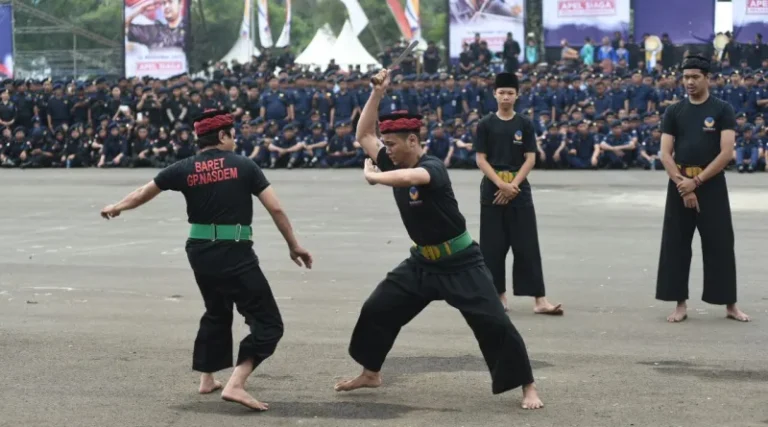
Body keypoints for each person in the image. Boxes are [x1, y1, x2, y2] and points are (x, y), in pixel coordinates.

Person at [333, 69, 544, 410]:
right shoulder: (391, 158)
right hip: (423, 263)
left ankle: (528, 386)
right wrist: (378, 93)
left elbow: (411, 177)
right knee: (378, 308)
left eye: (393, 145)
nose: (386, 150)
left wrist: (375, 178)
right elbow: (363, 133)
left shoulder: (432, 166)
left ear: (412, 141)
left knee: (494, 322)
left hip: (461, 262)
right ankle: (370, 371)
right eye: (385, 146)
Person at [99, 109, 313, 410]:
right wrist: (294, 246)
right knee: (269, 323)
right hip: (234, 251)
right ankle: (236, 384)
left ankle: (207, 378)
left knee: (217, 309)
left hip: (199, 250)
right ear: (223, 136)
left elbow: (144, 192)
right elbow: (275, 209)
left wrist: (117, 206)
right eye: (233, 134)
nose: (235, 139)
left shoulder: (184, 167)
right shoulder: (245, 166)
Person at [655, 54, 749, 323]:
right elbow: (665, 153)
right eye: (686, 77)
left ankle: (730, 305)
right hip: (679, 183)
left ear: (708, 78)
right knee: (676, 245)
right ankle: (680, 304)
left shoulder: (722, 109)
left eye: (695, 76)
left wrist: (695, 183)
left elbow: (726, 152)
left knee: (720, 243)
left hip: (711, 185)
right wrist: (683, 185)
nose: (690, 82)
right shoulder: (674, 111)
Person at [474, 72, 563, 315]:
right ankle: (499, 297)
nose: (505, 97)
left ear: (517, 95)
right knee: (493, 246)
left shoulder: (524, 123)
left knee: (527, 245)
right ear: (495, 94)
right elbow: (481, 160)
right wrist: (500, 185)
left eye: (510, 93)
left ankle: (539, 300)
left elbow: (531, 158)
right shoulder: (485, 124)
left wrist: (512, 185)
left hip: (519, 188)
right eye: (501, 92)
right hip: (492, 189)